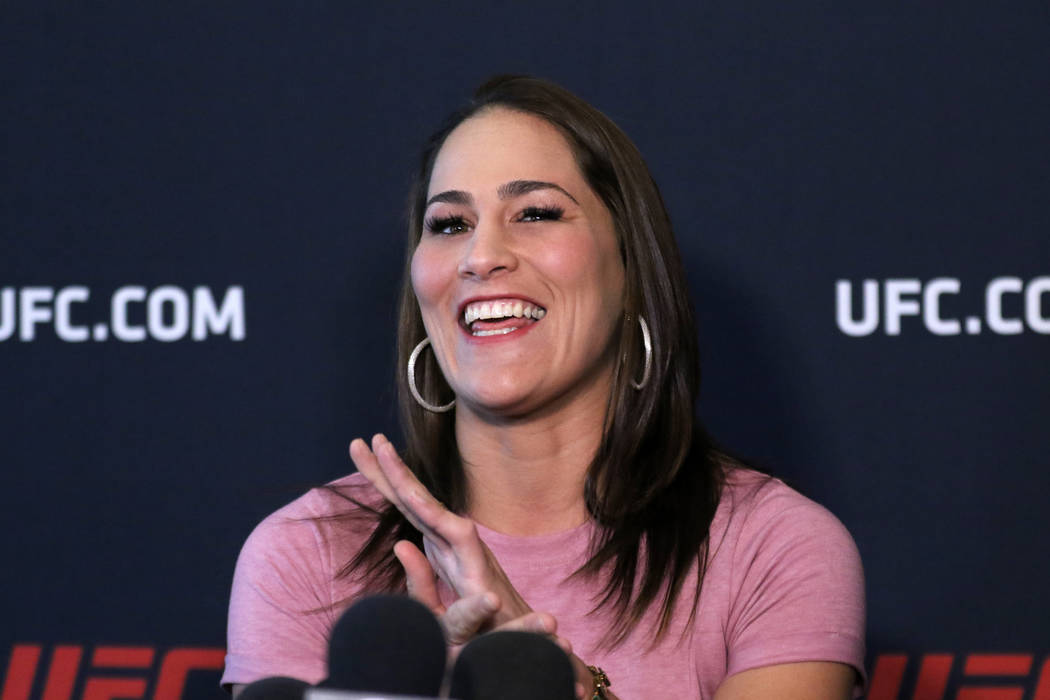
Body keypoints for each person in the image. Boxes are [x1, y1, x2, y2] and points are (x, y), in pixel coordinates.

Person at [222, 75, 866, 699]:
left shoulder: (774, 547)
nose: (480, 256)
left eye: (534, 212)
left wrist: (559, 684)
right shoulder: (305, 553)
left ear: (630, 265)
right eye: (449, 224)